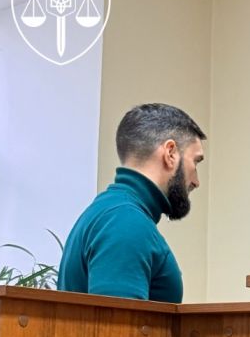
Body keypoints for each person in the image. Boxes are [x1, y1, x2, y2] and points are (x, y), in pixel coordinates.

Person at [58, 103, 205, 302]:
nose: (196, 181)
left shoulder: (112, 212)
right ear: (170, 153)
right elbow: (116, 322)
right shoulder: (125, 222)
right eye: (195, 162)